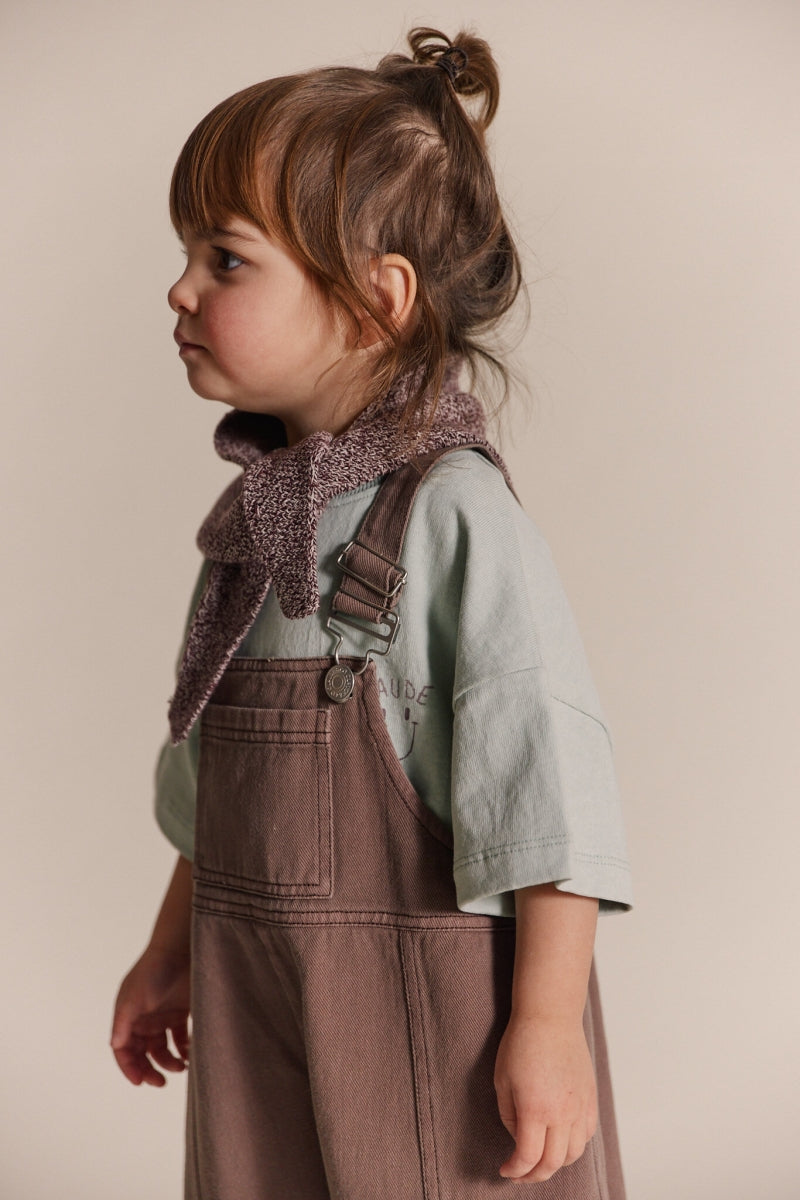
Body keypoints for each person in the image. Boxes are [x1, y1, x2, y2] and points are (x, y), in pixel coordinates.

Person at [111, 27, 632, 1200]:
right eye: (188, 255)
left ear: (373, 302)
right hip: (257, 1009)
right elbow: (217, 785)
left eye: (225, 259)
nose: (180, 288)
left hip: (423, 1025)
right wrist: (168, 947)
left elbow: (548, 792)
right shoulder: (254, 531)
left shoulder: (452, 517)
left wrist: (544, 1025)